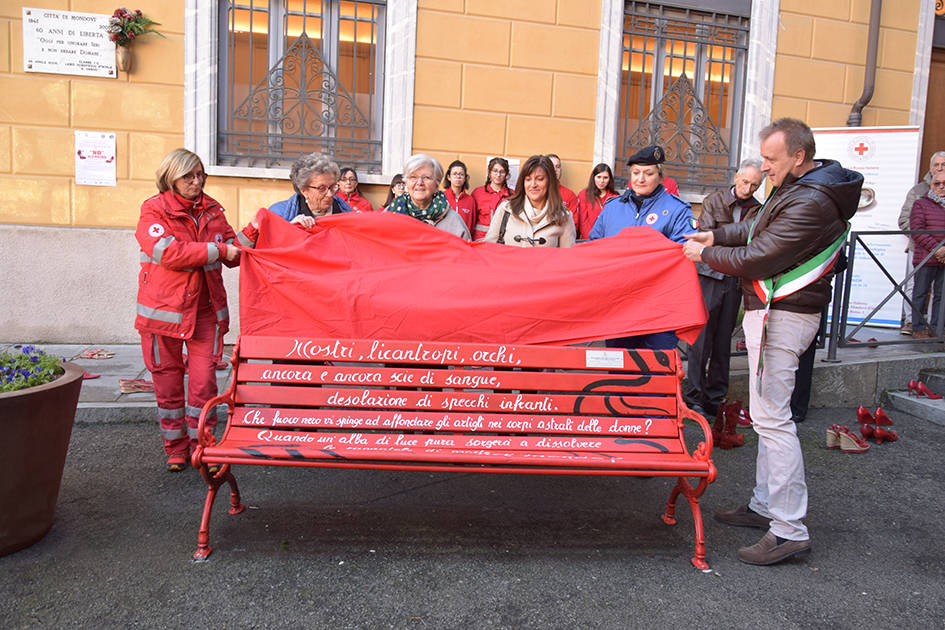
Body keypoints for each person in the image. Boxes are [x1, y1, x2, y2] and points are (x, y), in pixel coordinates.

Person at [683, 117, 863, 566]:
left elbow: (761, 255)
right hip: (777, 313)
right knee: (767, 416)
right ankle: (765, 505)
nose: (763, 168)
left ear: (798, 156)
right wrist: (716, 234)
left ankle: (788, 528)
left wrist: (705, 253)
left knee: (774, 419)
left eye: (770, 159)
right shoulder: (801, 187)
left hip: (785, 315)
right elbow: (757, 228)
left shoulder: (812, 200)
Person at [135, 148, 259, 472]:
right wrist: (217, 249)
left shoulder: (213, 209)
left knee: (204, 385)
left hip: (206, 312)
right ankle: (175, 449)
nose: (196, 181)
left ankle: (201, 445)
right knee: (168, 385)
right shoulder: (153, 209)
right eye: (188, 176)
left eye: (200, 174)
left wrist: (260, 227)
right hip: (163, 314)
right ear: (171, 178)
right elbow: (167, 252)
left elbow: (235, 253)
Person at [589, 145, 696, 351]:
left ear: (660, 176)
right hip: (619, 306)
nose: (641, 179)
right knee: (619, 367)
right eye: (636, 173)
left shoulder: (677, 210)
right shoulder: (612, 208)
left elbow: (684, 255)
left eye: (648, 173)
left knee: (657, 370)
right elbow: (595, 249)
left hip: (659, 309)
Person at [685, 159, 764, 420]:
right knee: (700, 340)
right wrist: (732, 243)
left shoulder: (758, 209)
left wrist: (725, 241)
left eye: (754, 185)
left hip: (734, 278)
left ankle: (716, 398)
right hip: (709, 275)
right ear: (736, 176)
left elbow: (753, 243)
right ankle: (694, 396)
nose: (748, 188)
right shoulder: (714, 200)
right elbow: (707, 235)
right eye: (745, 182)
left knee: (722, 342)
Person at [898, 151, 945, 334]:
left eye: (944, 165)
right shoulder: (918, 192)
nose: (940, 168)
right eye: (936, 165)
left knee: (940, 293)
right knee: (916, 289)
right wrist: (934, 247)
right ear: (931, 167)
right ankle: (912, 324)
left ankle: (936, 327)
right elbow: (907, 221)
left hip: (942, 254)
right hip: (921, 250)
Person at [483, 154, 575, 248]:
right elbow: (488, 250)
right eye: (528, 179)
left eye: (539, 179)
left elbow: (567, 259)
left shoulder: (564, 216)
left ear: (550, 181)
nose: (533, 184)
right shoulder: (506, 209)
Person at [388, 154, 471, 240]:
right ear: (406, 182)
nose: (419, 182)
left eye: (426, 177)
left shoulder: (454, 222)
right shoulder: (390, 213)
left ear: (437, 184)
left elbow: (465, 252)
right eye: (413, 177)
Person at [269, 153, 353, 229]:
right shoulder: (279, 213)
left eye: (332, 187)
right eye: (321, 188)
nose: (330, 194)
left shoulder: (345, 211)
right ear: (304, 191)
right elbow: (269, 243)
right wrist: (290, 229)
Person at [909, 170, 945, 338]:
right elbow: (917, 230)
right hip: (925, 257)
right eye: (937, 183)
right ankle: (917, 327)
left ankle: (937, 328)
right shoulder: (921, 204)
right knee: (920, 293)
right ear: (931, 184)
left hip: (944, 257)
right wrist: (938, 249)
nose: (941, 187)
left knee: (941, 295)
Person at [471, 157, 513, 240]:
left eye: (502, 172)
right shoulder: (478, 193)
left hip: (502, 241)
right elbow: (471, 219)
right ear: (489, 173)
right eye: (495, 171)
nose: (498, 174)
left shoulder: (512, 195)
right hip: (480, 241)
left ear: (506, 175)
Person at [576, 163, 619, 240]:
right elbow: (583, 221)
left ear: (610, 179)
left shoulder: (615, 197)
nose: (601, 181)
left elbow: (615, 222)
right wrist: (592, 238)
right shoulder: (584, 195)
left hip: (607, 239)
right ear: (593, 178)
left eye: (605, 178)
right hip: (588, 238)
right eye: (599, 177)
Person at [442, 160, 477, 235]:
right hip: (444, 241)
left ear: (465, 178)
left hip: (463, 242)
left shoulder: (470, 200)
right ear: (449, 177)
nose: (458, 176)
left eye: (461, 174)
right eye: (455, 174)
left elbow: (472, 225)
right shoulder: (441, 197)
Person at [547, 153, 580, 226]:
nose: (555, 170)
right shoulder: (536, 191)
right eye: (551, 166)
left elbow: (574, 223)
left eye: (557, 166)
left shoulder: (570, 195)